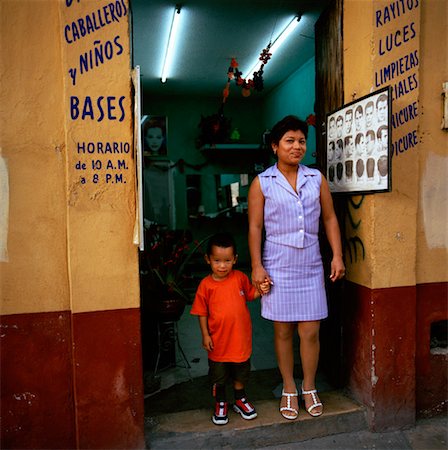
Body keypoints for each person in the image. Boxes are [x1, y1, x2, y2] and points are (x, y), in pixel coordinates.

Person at [248, 115, 345, 421]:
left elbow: (329, 218)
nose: (297, 146)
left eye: (301, 140)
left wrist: (337, 255)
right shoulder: (262, 182)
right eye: (289, 141)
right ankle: (289, 387)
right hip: (277, 263)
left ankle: (309, 386)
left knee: (311, 331)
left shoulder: (316, 179)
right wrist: (257, 266)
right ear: (275, 146)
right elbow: (254, 227)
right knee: (283, 330)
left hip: (310, 263)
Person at [190, 232, 271, 426]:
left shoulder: (240, 278)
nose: (222, 265)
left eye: (227, 260)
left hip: (240, 340)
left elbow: (251, 295)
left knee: (241, 371)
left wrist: (262, 290)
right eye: (217, 260)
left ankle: (240, 399)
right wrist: (205, 335)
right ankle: (221, 403)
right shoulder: (205, 286)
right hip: (218, 342)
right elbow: (201, 312)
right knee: (219, 376)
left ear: (234, 259)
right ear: (208, 260)